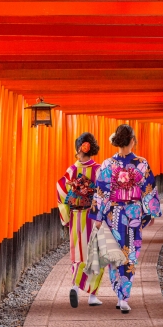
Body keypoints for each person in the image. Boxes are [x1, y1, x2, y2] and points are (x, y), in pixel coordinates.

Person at [89, 124, 162, 313]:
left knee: (115, 254)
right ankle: (124, 297)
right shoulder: (141, 163)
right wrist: (150, 211)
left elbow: (101, 192)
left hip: (113, 214)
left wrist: (98, 216)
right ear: (132, 141)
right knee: (130, 254)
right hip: (133, 214)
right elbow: (148, 189)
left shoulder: (107, 164)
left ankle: (119, 293)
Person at [56, 132, 105, 308]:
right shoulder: (99, 169)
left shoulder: (72, 170)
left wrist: (66, 214)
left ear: (79, 148)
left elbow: (61, 190)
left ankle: (75, 287)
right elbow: (103, 194)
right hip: (94, 216)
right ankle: (92, 295)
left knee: (78, 252)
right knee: (96, 253)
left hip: (77, 216)